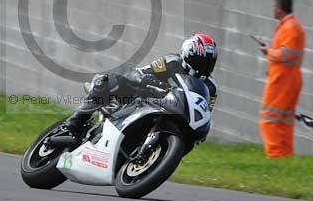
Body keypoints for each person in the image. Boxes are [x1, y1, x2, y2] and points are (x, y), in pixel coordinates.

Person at [65, 33, 219, 139]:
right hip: (145, 98)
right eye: (200, 61)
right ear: (187, 55)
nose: (203, 66)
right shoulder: (172, 61)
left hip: (173, 113)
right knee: (106, 81)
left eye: (208, 62)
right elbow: (144, 72)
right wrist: (149, 81)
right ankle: (73, 123)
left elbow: (204, 112)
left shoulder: (211, 88)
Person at [257, 0, 305, 158]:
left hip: (283, 80)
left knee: (268, 120)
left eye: (274, 6)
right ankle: (285, 156)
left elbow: (285, 55)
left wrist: (268, 51)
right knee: (284, 121)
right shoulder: (289, 26)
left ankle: (275, 156)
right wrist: (270, 53)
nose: (272, 9)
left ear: (279, 7)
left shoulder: (290, 27)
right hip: (286, 78)